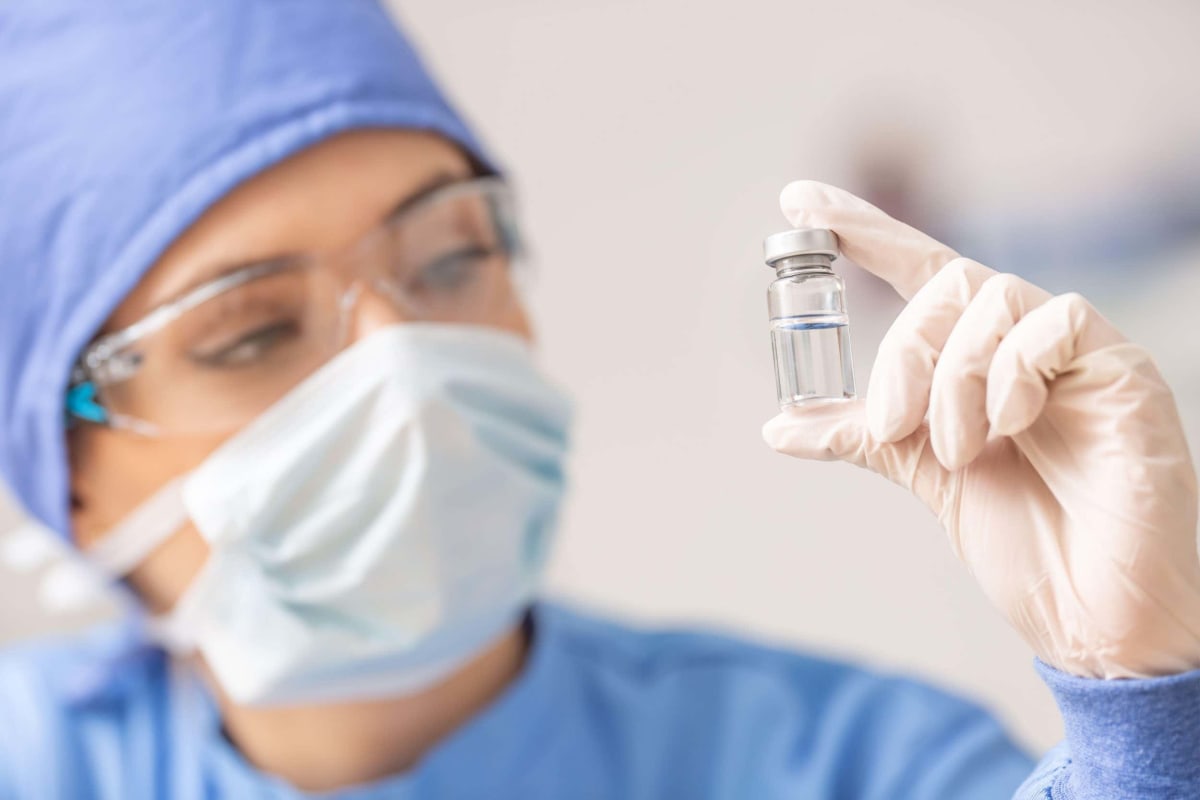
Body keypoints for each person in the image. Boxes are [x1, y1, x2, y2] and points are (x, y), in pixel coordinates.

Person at [0, 2, 1197, 798]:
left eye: (450, 256)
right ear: (69, 470)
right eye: (252, 330)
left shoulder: (840, 763)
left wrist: (1141, 706)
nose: (402, 363)